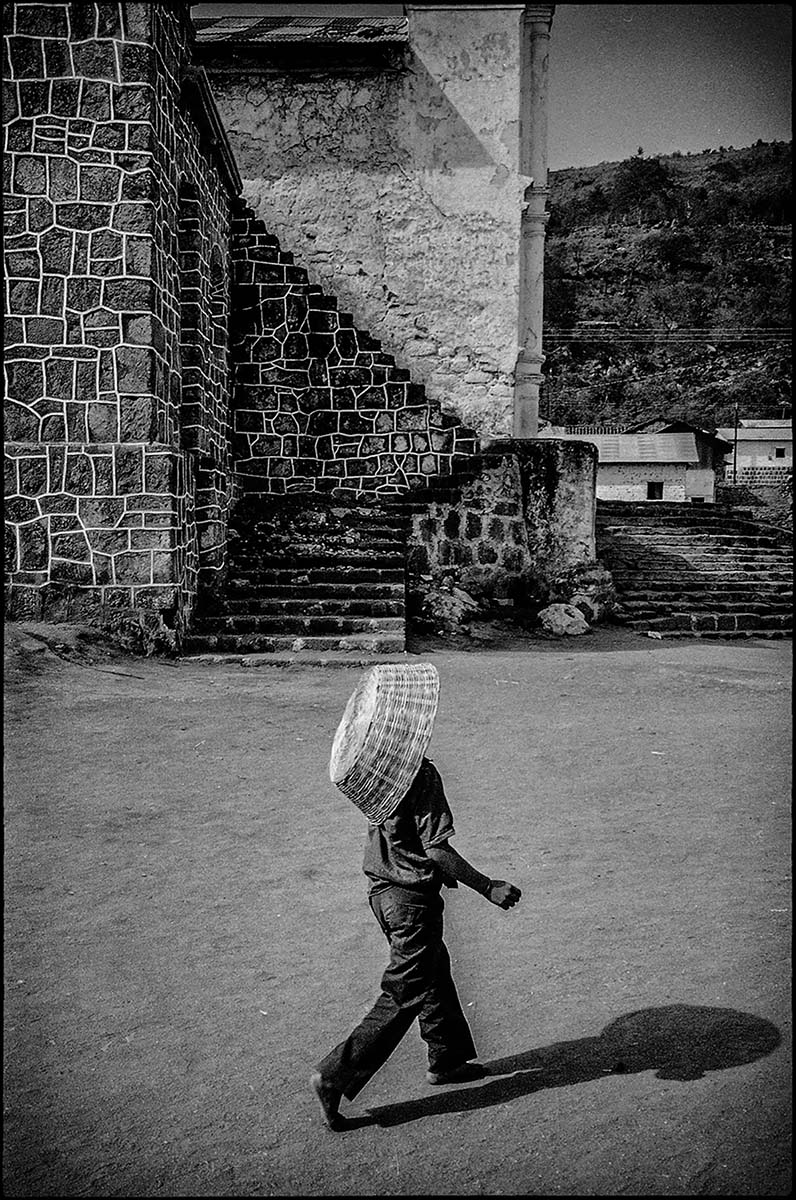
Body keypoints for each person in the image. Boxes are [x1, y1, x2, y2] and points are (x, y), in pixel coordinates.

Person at [311, 663, 521, 1131]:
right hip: (410, 901)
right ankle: (335, 1074)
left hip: (384, 895)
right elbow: (436, 849)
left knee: (432, 970)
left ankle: (446, 1057)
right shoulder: (421, 776)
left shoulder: (381, 780)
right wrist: (489, 886)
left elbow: (404, 843)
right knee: (404, 990)